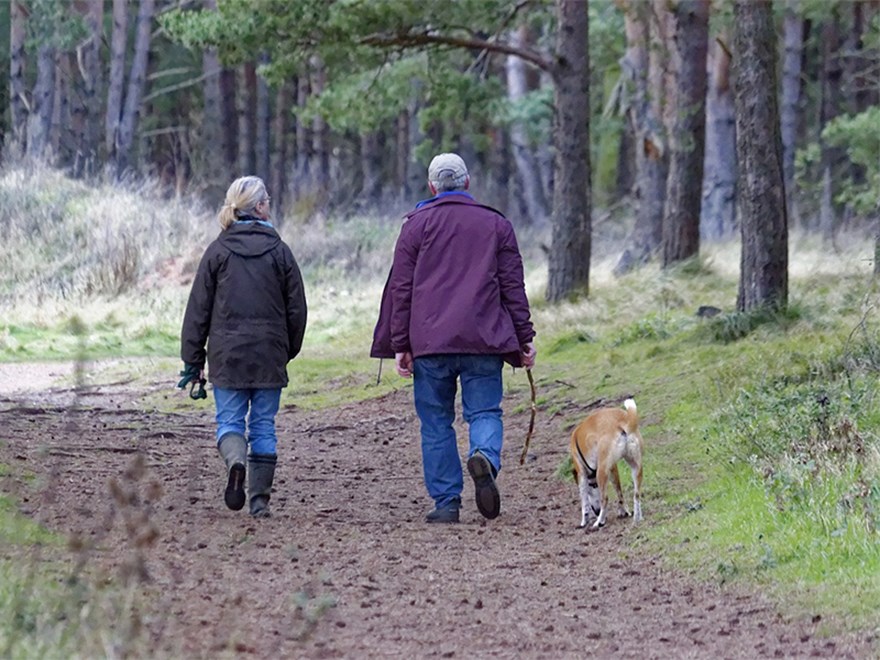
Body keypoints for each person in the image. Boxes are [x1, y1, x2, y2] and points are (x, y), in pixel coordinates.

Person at [371, 153, 536, 524]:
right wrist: (524, 337)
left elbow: (402, 289)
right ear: (467, 183)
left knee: (435, 422)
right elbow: (513, 287)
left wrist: (401, 344)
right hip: (484, 339)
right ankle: (485, 458)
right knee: (484, 411)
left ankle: (446, 502)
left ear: (431, 187)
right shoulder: (496, 224)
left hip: (430, 344)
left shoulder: (415, 226)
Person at [179, 175, 307, 518]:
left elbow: (198, 311)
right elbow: (297, 309)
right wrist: (287, 350)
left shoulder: (217, 251)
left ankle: (235, 461)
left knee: (230, 423)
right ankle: (259, 500)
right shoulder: (280, 251)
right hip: (269, 354)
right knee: (263, 425)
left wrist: (193, 361)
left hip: (227, 355)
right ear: (261, 207)